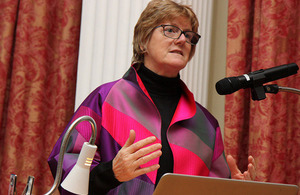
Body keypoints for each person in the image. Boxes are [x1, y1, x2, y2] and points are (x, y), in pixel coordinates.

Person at [48, 0, 256, 194]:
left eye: (189, 35)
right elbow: (66, 174)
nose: (183, 39)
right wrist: (112, 172)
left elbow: (211, 189)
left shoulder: (207, 125)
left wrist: (237, 190)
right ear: (143, 42)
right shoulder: (105, 99)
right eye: (170, 30)